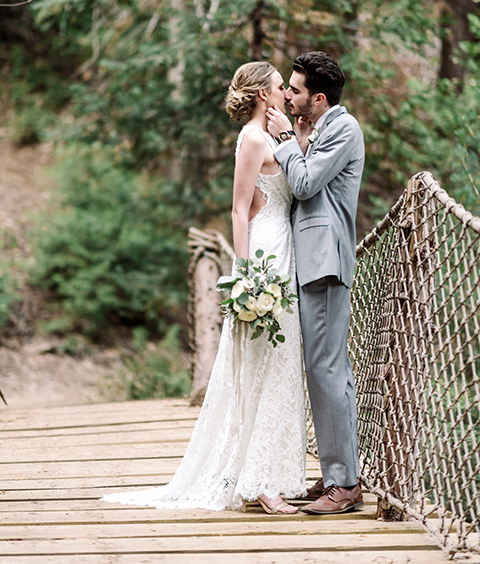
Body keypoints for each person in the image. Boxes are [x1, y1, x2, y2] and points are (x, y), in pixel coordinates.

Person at [102, 61, 306, 514]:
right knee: (261, 363)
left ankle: (272, 473)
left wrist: (290, 136)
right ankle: (259, 483)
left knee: (282, 363)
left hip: (287, 253)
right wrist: (247, 273)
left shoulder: (275, 135)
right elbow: (238, 210)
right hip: (267, 253)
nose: (284, 94)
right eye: (278, 88)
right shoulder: (253, 139)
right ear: (261, 95)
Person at [266, 51, 365, 515]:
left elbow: (305, 186)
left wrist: (287, 139)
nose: (287, 94)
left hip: (325, 261)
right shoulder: (322, 128)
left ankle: (345, 484)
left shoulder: (344, 128)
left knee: (327, 370)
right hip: (309, 260)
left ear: (318, 97)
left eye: (295, 89)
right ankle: (333, 477)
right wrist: (300, 140)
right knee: (319, 370)